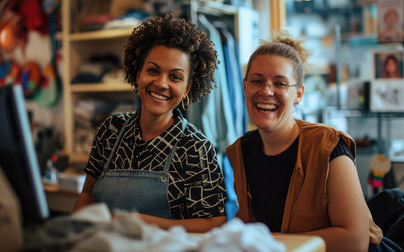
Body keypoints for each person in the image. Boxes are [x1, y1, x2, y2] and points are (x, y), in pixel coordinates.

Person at [225, 33, 383, 251]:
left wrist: (271, 240)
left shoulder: (328, 146)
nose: (266, 91)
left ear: (298, 94)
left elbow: (355, 240)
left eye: (279, 83)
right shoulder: (242, 150)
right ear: (244, 87)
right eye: (257, 81)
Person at [73, 14, 227, 233]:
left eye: (175, 77)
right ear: (138, 75)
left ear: (187, 89)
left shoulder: (196, 149)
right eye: (153, 71)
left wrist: (140, 221)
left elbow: (214, 223)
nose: (161, 84)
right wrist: (75, 231)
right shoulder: (110, 130)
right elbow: (87, 194)